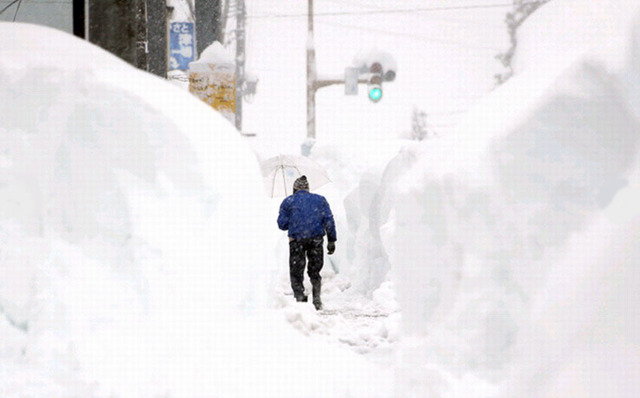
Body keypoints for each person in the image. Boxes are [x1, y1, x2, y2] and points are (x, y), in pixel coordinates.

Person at [277, 175, 336, 310]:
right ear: (308, 189)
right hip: (315, 239)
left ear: (294, 189)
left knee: (296, 270)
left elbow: (282, 224)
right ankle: (316, 298)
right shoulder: (320, 200)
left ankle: (300, 298)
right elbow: (329, 220)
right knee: (315, 270)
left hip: (296, 240)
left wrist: (292, 217)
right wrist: (331, 240)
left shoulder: (288, 202)